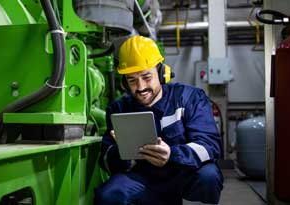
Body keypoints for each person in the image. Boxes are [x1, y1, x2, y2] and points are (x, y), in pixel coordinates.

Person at [94, 35, 223, 205]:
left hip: (183, 173)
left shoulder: (190, 98)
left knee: (209, 176)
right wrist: (120, 151)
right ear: (124, 83)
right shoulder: (119, 110)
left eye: (147, 77)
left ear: (162, 73)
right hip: (142, 178)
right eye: (132, 80)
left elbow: (210, 146)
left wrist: (172, 155)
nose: (140, 87)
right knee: (109, 195)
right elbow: (106, 162)